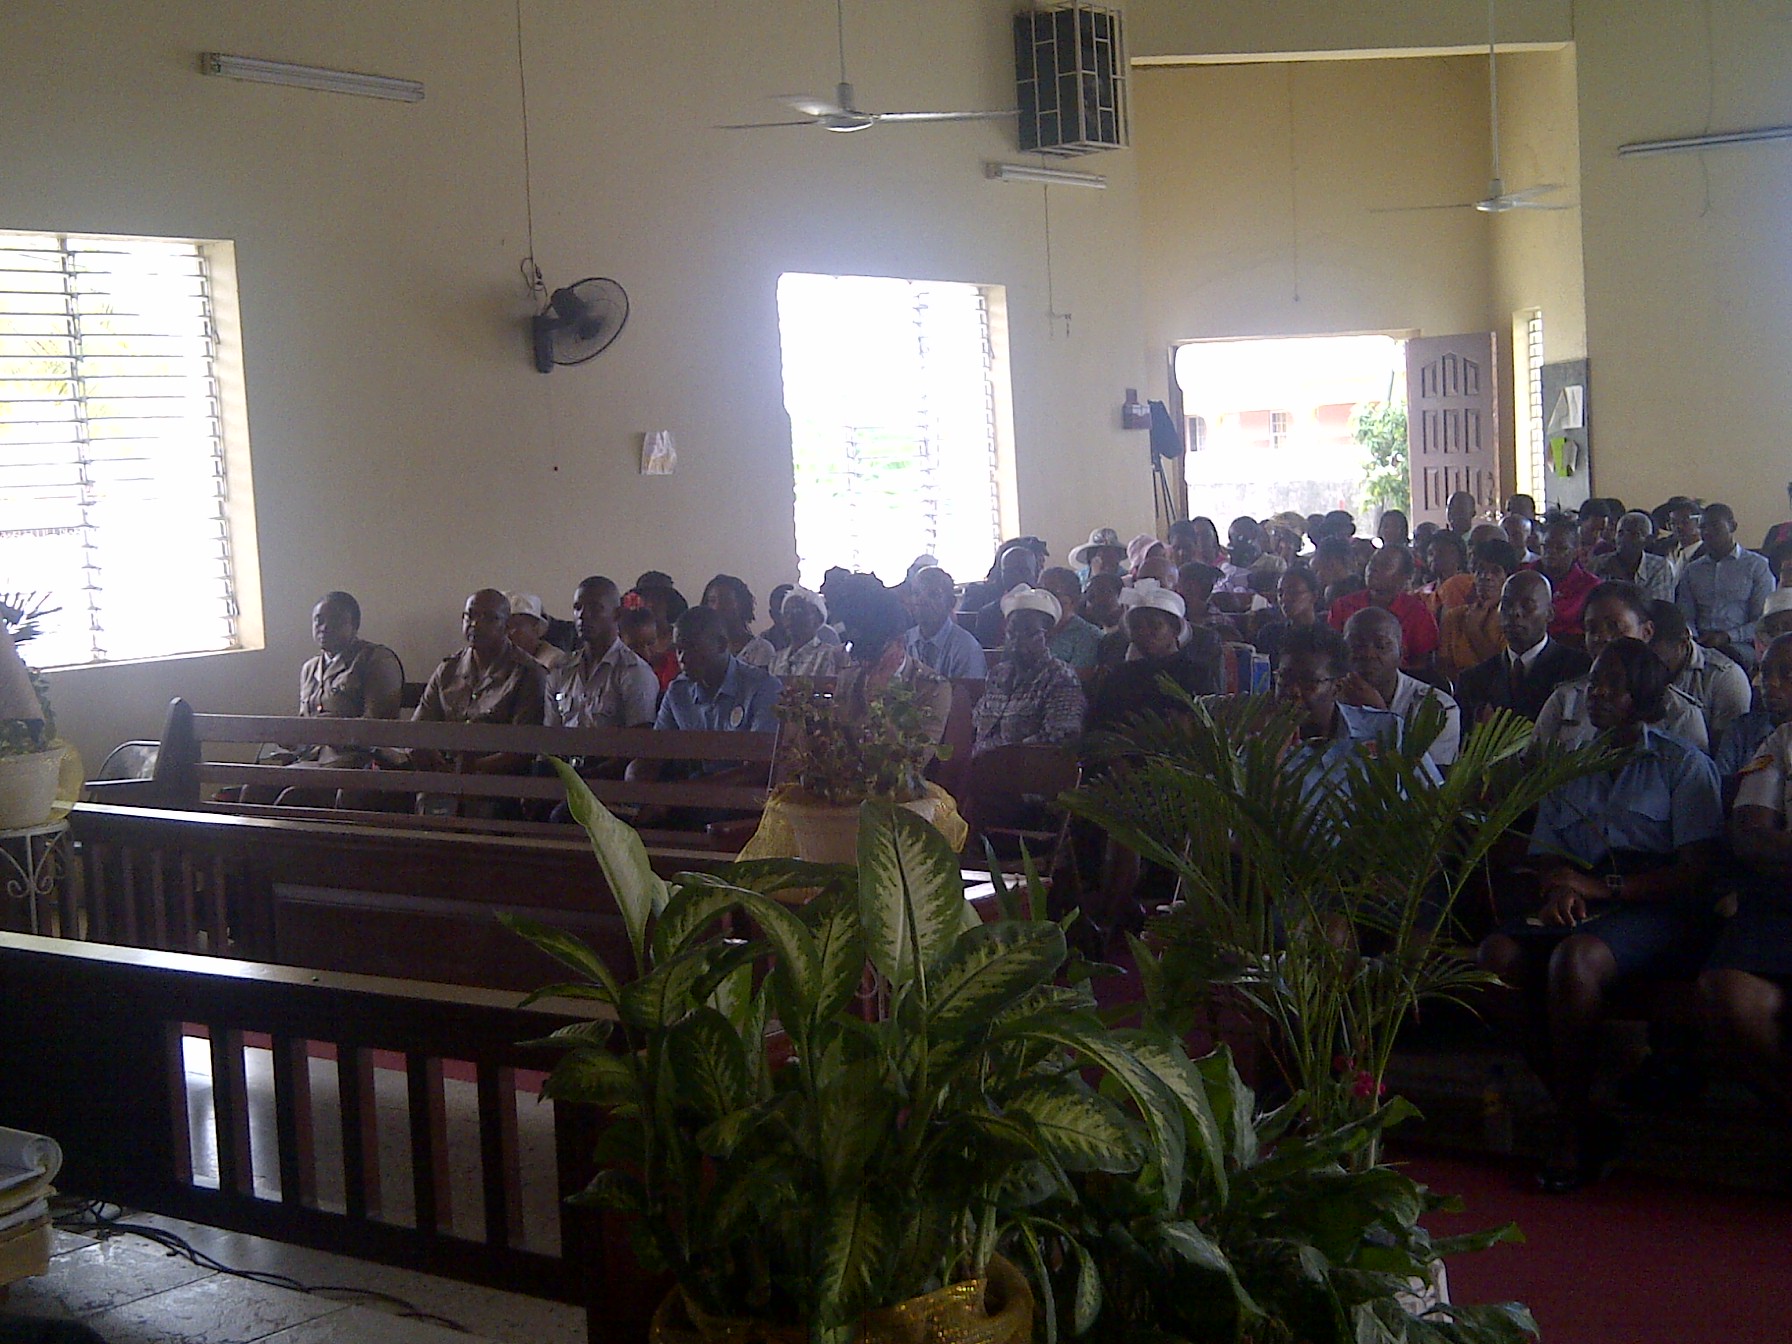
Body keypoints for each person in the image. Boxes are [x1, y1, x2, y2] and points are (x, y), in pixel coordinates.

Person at [1478, 638, 1722, 1191]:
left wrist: (1604, 887)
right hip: (1582, 894)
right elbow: (1546, 852)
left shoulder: (1682, 764)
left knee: (1575, 961)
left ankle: (1571, 1130)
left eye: (1613, 684)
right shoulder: (1573, 765)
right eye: (1594, 682)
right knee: (1495, 957)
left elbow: (1695, 872)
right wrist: (1557, 888)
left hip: (1655, 906)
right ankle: (1583, 1113)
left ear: (1643, 696)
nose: (1598, 693)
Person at [1702, 654, 1792, 1110]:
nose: (1767, 683)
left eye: (1785, 674)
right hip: (1780, 900)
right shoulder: (1781, 741)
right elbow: (1748, 835)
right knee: (1727, 992)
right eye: (1766, 672)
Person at [1533, 582, 1709, 752]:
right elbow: (1532, 763)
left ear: (1646, 632)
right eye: (1592, 629)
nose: (1602, 638)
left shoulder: (1680, 714)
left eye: (1614, 627)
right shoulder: (1565, 700)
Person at [412, 588, 548, 777]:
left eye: (489, 618)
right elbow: (418, 728)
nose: (475, 624)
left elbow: (523, 750)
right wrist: (434, 760)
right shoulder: (448, 669)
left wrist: (468, 770)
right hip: (442, 776)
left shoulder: (529, 673)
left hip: (499, 783)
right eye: (470, 616)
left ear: (508, 626)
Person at [831, 575, 952, 755]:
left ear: (900, 643)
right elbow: (836, 748)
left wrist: (875, 702)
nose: (865, 662)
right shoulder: (849, 678)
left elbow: (914, 760)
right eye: (859, 654)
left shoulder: (932, 689)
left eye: (875, 655)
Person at [1454, 571, 1590, 724]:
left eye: (1527, 605)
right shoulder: (1473, 681)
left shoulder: (1579, 671)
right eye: (1507, 605)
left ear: (1550, 613)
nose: (1514, 612)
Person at [291, 591, 404, 767]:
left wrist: (334, 729)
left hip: (358, 762)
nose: (324, 627)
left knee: (287, 784)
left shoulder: (376, 660)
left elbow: (379, 727)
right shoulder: (310, 669)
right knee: (259, 778)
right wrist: (291, 737)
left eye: (335, 620)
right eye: (319, 620)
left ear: (354, 625)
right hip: (312, 759)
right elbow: (304, 725)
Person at [1339, 606, 1461, 767]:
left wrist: (1380, 716)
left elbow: (1430, 778)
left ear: (1401, 654)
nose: (1368, 654)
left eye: (1381, 646)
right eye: (1356, 645)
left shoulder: (1438, 708)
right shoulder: (1326, 697)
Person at [971, 586, 1085, 756]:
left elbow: (1059, 739)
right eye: (1012, 633)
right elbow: (976, 724)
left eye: (1029, 633)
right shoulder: (997, 674)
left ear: (1048, 636)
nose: (1017, 640)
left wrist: (1001, 756)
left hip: (1024, 767)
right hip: (979, 765)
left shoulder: (1060, 677)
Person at [1086, 584, 1215, 733]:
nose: (1144, 632)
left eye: (1155, 626)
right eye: (1136, 627)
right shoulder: (1120, 675)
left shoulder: (1197, 674)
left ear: (1175, 629)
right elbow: (1098, 726)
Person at [546, 576, 659, 729]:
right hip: (562, 746)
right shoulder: (561, 668)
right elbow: (549, 735)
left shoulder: (634, 672)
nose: (582, 615)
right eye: (577, 607)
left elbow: (640, 740)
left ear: (617, 614)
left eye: (595, 609)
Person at [1675, 502, 1774, 674]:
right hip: (1699, 642)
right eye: (1703, 527)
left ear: (1733, 526)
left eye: (1715, 526)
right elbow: (1685, 614)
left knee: (1722, 659)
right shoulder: (1692, 570)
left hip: (1740, 644)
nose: (1707, 532)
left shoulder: (1757, 566)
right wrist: (1693, 636)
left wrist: (1727, 636)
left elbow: (1763, 622)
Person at [1645, 599, 1751, 744]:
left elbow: (1725, 749)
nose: (1646, 668)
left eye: (1657, 661)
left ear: (1683, 642)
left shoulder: (1725, 678)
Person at [1325, 545, 1439, 672]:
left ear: (1405, 576)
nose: (1374, 568)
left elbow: (1422, 665)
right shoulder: (1343, 605)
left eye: (1385, 565)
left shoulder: (1417, 613)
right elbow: (1331, 654)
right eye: (1372, 562)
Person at [1714, 631, 1792, 789]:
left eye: (1788, 674)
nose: (1771, 682)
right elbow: (1721, 790)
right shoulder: (1743, 730)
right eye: (1765, 672)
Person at [1439, 539, 1517, 681]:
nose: (1486, 577)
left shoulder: (1514, 620)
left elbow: (1504, 669)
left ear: (1508, 576)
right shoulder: (1454, 616)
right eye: (1480, 570)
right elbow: (1444, 667)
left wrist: (1474, 630)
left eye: (1495, 571)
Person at [903, 565, 988, 680]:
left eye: (933, 594)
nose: (921, 600)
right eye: (916, 593)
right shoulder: (904, 641)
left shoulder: (966, 648)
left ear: (951, 603)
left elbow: (969, 690)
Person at [1527, 515, 1600, 641]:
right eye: (1546, 546)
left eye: (1561, 548)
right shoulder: (1525, 575)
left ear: (1576, 551)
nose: (1551, 552)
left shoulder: (1590, 586)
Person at [1589, 510, 1674, 601]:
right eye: (1620, 533)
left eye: (1634, 534)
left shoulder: (1659, 567)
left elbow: (1658, 605)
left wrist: (1623, 579)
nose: (1624, 539)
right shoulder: (1600, 563)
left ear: (1648, 540)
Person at [1253, 564, 1322, 671]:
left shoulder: (1327, 639)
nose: (1284, 598)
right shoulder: (1269, 634)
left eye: (1293, 592)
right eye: (1280, 593)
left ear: (1314, 596)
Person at [972, 543, 1043, 647]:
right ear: (1001, 575)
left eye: (1023, 570)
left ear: (1036, 573)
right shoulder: (987, 615)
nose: (1017, 576)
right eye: (1009, 571)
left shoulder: (1047, 612)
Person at [770, 585, 847, 680]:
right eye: (786, 613)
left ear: (818, 619)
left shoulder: (829, 656)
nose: (790, 618)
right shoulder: (776, 659)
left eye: (798, 612)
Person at [702, 574, 776, 670]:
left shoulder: (761, 649)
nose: (717, 607)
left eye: (726, 601)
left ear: (742, 605)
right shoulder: (703, 649)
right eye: (712, 601)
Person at [1038, 566, 1102, 674]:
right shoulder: (1031, 628)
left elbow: (1080, 677)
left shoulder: (1088, 635)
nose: (1044, 598)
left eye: (1052, 594)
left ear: (1074, 600)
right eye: (1040, 592)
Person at [618, 605, 671, 697]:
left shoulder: (671, 666)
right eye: (634, 647)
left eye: (650, 643)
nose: (645, 653)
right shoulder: (617, 675)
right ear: (620, 641)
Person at [1418, 530, 1473, 614]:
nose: (1434, 557)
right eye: (1430, 553)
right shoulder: (1423, 592)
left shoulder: (1468, 585)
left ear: (1459, 556)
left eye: (1441, 552)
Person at [1311, 536, 1361, 609]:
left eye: (1319, 569)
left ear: (1332, 563)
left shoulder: (1340, 594)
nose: (1318, 574)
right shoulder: (1360, 585)